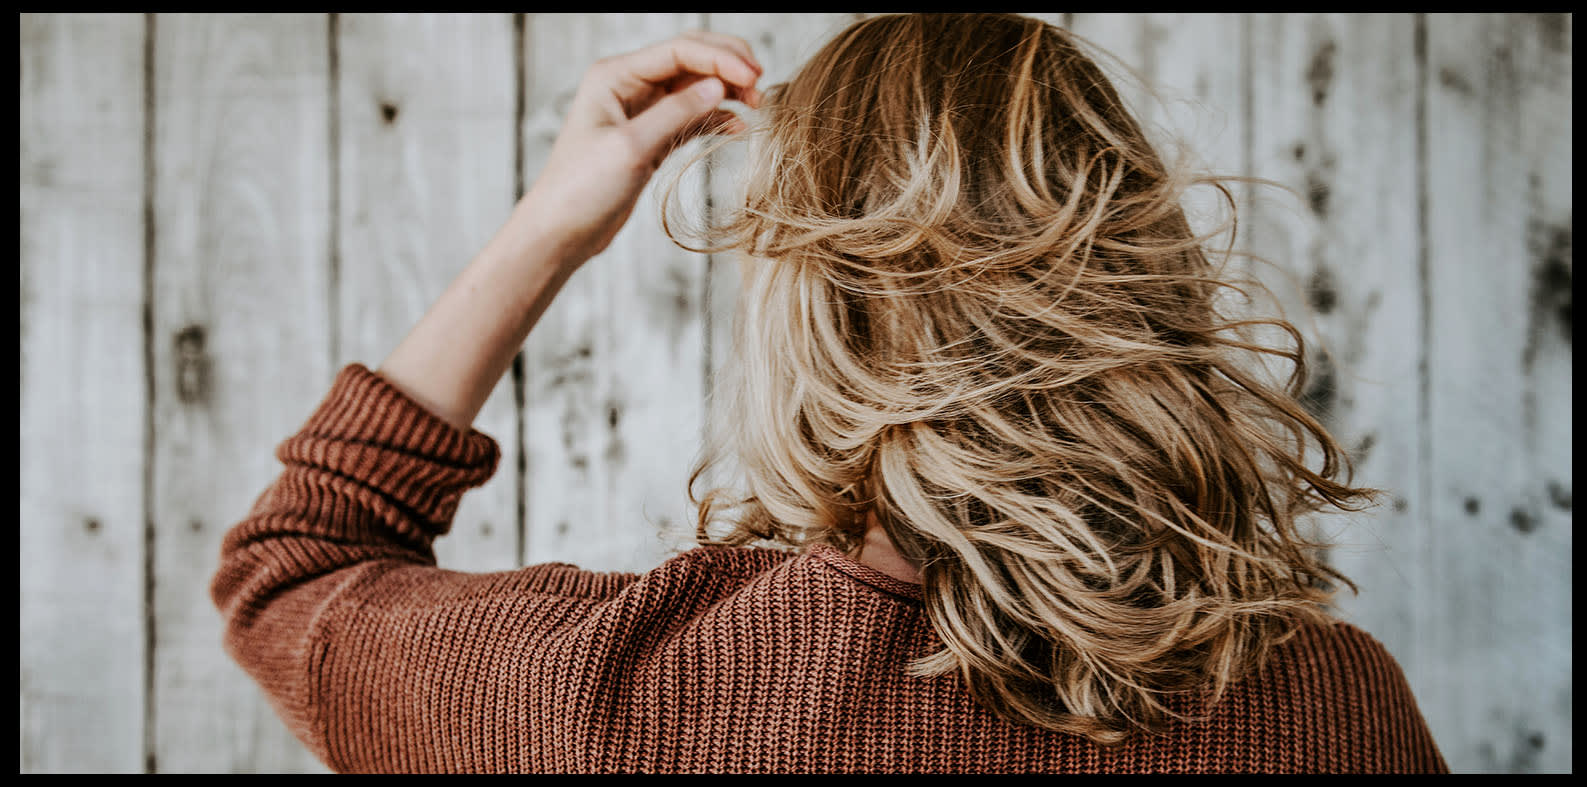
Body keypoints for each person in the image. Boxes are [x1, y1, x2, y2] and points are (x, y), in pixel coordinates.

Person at [211, 13, 1448, 773]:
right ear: (1145, 282)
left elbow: (294, 568)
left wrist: (552, 225)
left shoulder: (606, 697)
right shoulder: (1332, 711)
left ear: (815, 314)